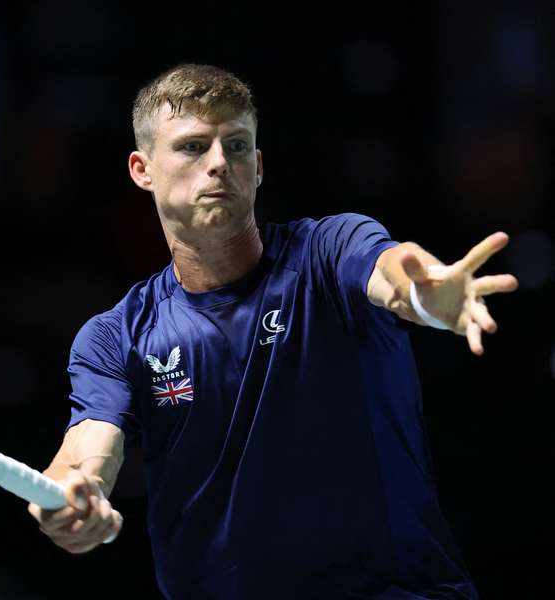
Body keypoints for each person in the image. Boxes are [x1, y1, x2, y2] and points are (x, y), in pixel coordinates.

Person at [27, 63, 518, 599]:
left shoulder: (327, 252)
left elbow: (392, 274)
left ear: (257, 167)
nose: (219, 163)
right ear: (142, 169)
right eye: (193, 147)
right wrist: (76, 492)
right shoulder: (116, 336)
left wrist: (426, 297)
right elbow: (86, 453)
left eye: (236, 146)